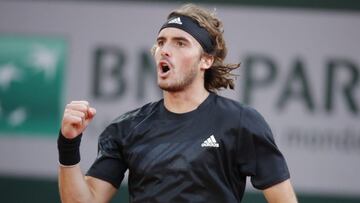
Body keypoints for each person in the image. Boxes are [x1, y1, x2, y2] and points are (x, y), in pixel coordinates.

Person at [58, 3, 298, 203]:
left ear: (205, 60)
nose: (165, 50)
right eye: (161, 42)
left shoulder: (241, 122)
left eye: (180, 43)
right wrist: (68, 144)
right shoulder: (126, 128)